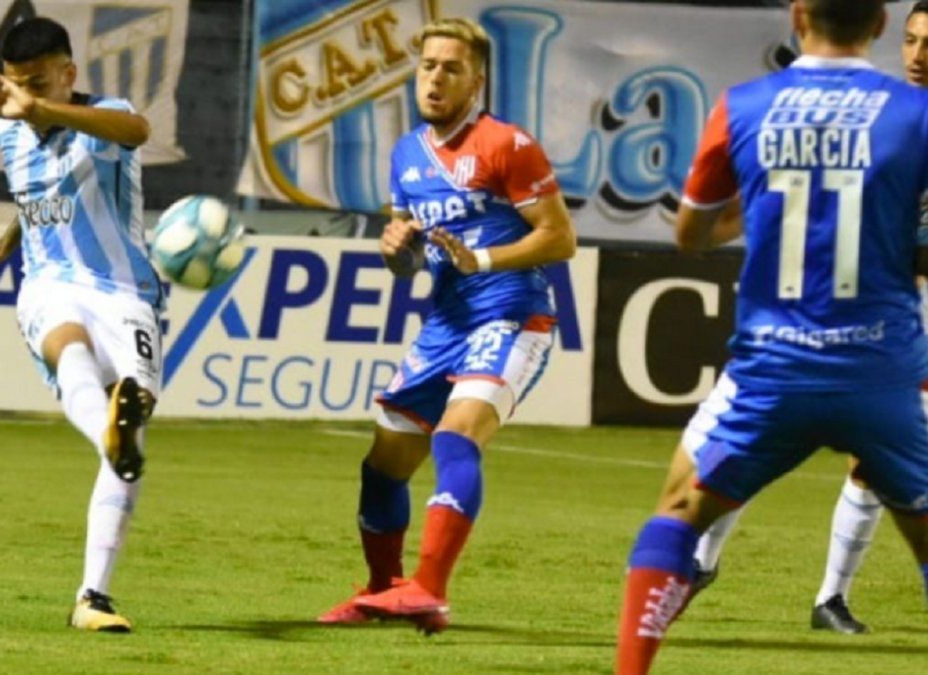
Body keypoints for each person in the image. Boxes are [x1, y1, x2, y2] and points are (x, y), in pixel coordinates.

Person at [615, 1, 928, 672]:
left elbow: (691, 235)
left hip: (774, 367)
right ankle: (820, 591)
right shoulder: (915, 115)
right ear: (880, 24)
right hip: (878, 370)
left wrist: (765, 204)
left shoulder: (743, 106)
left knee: (677, 507)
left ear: (797, 16)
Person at [316, 17, 577, 634]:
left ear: (475, 82)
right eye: (428, 66)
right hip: (445, 325)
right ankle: (384, 591)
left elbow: (559, 237)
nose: (435, 79)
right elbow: (408, 263)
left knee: (455, 437)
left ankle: (429, 591)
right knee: (383, 466)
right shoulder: (406, 154)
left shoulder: (506, 144)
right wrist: (396, 250)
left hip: (511, 315)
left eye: (451, 69)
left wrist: (480, 259)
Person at [0, 17, 159, 633]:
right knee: (70, 348)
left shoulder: (108, 118)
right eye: (15, 85)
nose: (22, 97)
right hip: (48, 283)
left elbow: (138, 131)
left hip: (125, 292)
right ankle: (109, 433)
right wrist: (1, 246)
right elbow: (36, 198)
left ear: (68, 74)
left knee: (131, 431)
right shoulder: (8, 132)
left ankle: (92, 598)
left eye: (36, 84)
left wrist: (41, 108)